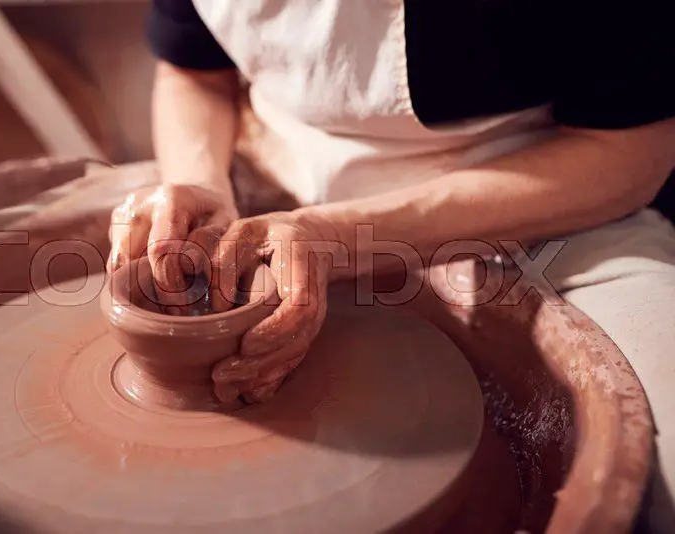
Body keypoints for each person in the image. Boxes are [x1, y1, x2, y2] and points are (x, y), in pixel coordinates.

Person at [107, 1, 675, 530]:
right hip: (273, 181)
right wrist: (203, 186)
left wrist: (338, 237)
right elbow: (194, 73)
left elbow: (631, 150)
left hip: (531, 204)